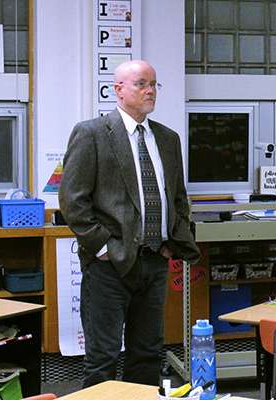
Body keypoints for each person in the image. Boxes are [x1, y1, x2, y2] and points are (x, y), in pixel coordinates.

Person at [60, 59, 200, 387]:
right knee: (103, 356)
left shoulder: (168, 139)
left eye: (154, 84)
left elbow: (178, 197)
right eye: (141, 84)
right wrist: (104, 246)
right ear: (118, 90)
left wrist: (171, 242)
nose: (150, 90)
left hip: (154, 260)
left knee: (148, 353)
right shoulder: (92, 133)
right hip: (110, 266)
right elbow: (72, 201)